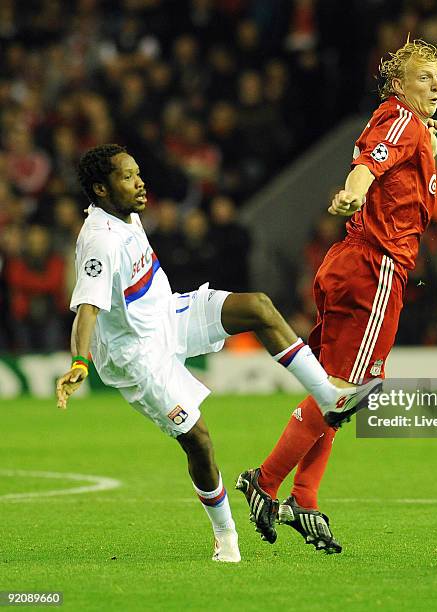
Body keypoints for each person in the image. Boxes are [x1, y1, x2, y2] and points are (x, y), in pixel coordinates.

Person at [55, 144, 378, 563]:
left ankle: (329, 397)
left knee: (258, 307)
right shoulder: (98, 241)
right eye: (127, 177)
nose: (140, 182)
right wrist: (81, 362)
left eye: (138, 173)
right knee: (199, 442)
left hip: (170, 314)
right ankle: (225, 535)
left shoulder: (126, 213)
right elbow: (88, 309)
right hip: (139, 356)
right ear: (100, 189)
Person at [237, 37, 437, 552]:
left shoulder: (409, 126)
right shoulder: (402, 121)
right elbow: (368, 167)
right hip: (374, 269)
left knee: (336, 391)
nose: (436, 85)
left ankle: (304, 500)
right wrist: (354, 192)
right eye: (424, 77)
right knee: (347, 390)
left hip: (356, 263)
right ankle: (263, 483)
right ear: (399, 84)